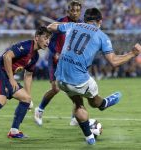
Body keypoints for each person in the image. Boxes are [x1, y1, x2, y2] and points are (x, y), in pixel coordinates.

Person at [47, 8, 141, 145]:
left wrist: (60, 27)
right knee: (94, 101)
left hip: (60, 78)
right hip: (79, 79)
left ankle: (89, 138)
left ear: (85, 20)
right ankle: (104, 103)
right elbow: (114, 61)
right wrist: (133, 53)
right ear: (100, 21)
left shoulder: (74, 25)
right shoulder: (101, 35)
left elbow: (51, 27)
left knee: (78, 104)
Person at [0, 26, 52, 138]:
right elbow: (7, 56)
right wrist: (11, 78)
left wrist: (29, 96)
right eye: (45, 38)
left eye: (49, 39)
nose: (48, 41)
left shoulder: (35, 56)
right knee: (1, 100)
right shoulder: (27, 45)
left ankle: (14, 131)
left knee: (26, 99)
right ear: (37, 37)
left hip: (7, 76)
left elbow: (28, 75)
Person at [34, 0, 82, 126]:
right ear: (68, 11)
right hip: (56, 60)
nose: (75, 13)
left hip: (71, 61)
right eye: (72, 10)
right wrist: (55, 52)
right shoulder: (60, 23)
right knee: (55, 89)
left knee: (75, 90)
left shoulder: (82, 25)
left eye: (77, 10)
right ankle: (39, 110)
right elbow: (49, 39)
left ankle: (74, 117)